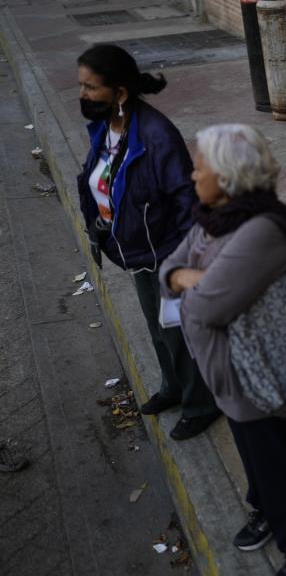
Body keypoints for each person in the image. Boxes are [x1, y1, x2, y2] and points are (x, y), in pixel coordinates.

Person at [159, 124, 286, 576]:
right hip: (231, 370)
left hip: (262, 369)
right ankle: (267, 509)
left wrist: (189, 283)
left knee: (277, 458)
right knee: (256, 453)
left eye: (199, 168)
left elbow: (204, 309)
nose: (191, 176)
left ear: (228, 174)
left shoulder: (260, 231)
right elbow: (171, 266)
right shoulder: (216, 216)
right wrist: (188, 279)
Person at [76, 44, 220, 440]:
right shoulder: (108, 125)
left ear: (120, 92)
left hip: (166, 253)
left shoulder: (157, 135)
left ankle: (201, 405)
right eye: (81, 86)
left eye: (90, 87)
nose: (83, 95)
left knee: (178, 333)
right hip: (135, 251)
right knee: (158, 330)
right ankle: (172, 389)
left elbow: (185, 201)